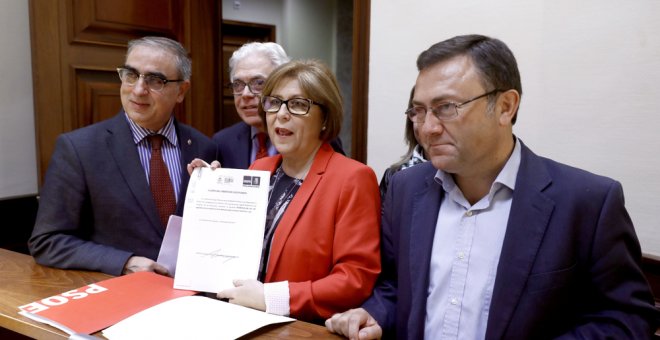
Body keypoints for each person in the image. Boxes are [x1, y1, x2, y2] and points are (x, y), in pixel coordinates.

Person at [326, 34, 658, 339]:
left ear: (505, 106)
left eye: (446, 108)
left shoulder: (586, 203)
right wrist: (376, 314)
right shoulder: (406, 188)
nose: (427, 128)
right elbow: (395, 287)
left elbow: (626, 318)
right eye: (419, 111)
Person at [191, 59, 380, 323]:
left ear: (325, 118)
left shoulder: (353, 178)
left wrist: (272, 297)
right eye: (274, 102)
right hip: (237, 318)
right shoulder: (258, 169)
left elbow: (355, 278)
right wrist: (208, 194)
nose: (281, 113)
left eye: (298, 104)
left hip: (300, 328)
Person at [28, 36, 217, 277]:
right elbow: (47, 241)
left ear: (181, 91)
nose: (138, 90)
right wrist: (124, 262)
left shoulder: (205, 148)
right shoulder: (79, 149)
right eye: (130, 75)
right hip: (117, 299)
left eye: (155, 80)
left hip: (193, 298)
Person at [213, 42, 343, 169]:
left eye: (258, 83)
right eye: (238, 84)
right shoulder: (222, 142)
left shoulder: (316, 137)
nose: (246, 94)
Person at [378, 86, 427, 199]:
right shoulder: (394, 176)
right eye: (419, 111)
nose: (429, 126)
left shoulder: (466, 175)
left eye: (443, 108)